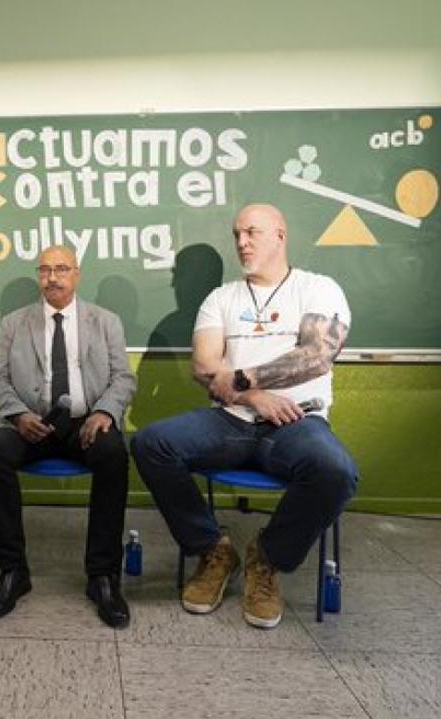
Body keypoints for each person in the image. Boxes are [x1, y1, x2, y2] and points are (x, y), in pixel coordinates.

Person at [131, 203, 358, 630]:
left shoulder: (317, 288)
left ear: (280, 234)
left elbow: (317, 356)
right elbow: (203, 367)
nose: (242, 242)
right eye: (237, 234)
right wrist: (255, 396)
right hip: (231, 422)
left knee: (337, 471)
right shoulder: (221, 298)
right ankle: (214, 549)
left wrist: (240, 377)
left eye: (252, 232)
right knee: (150, 443)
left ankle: (266, 558)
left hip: (297, 423)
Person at [0, 245, 138, 629]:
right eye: (46, 270)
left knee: (114, 453)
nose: (53, 277)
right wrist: (17, 416)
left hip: (86, 423)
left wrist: (104, 412)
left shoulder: (106, 322)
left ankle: (102, 576)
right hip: (32, 424)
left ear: (77, 275)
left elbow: (124, 378)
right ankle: (12, 570)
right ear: (39, 275)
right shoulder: (15, 323)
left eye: (61, 269)